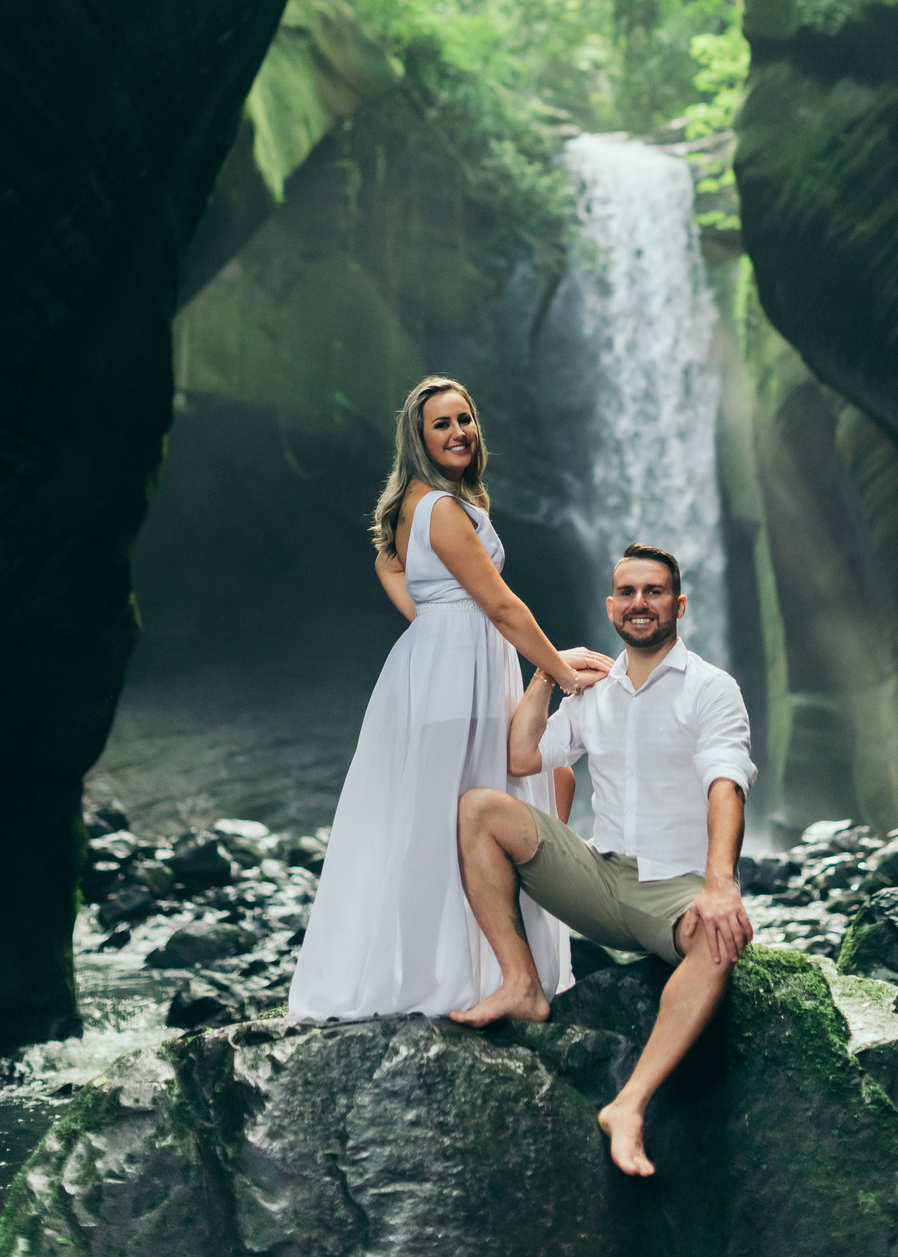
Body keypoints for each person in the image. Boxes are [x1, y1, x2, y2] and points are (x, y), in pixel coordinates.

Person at [288, 375, 610, 1022]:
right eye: (442, 423)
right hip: (455, 675)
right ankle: (423, 982)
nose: (459, 431)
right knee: (439, 821)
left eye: (465, 419)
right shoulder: (437, 507)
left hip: (451, 665)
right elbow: (502, 605)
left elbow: (388, 562)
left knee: (476, 807)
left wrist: (431, 620)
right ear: (419, 437)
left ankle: (484, 970)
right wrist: (562, 673)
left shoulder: (429, 503)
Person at [450, 542, 757, 1178]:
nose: (640, 603)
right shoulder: (594, 694)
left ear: (678, 605)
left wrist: (720, 885)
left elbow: (726, 783)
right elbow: (522, 757)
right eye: (628, 593)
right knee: (480, 809)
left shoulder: (711, 688)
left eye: (654, 592)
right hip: (598, 875)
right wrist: (548, 673)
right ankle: (521, 984)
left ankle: (629, 1105)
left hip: (672, 891)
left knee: (719, 942)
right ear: (611, 606)